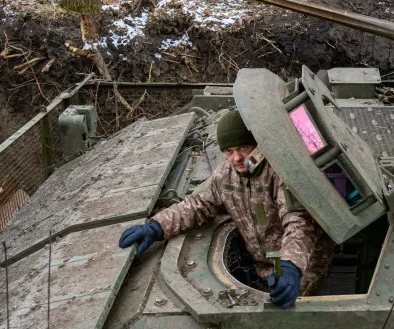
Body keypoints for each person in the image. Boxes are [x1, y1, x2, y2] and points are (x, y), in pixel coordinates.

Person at [118, 109, 332, 309]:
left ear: (257, 145)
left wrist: (291, 266)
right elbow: (198, 204)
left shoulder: (279, 173)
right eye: (228, 151)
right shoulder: (225, 176)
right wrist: (156, 227)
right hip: (263, 268)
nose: (236, 158)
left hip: (303, 265)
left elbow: (299, 223)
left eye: (243, 148)